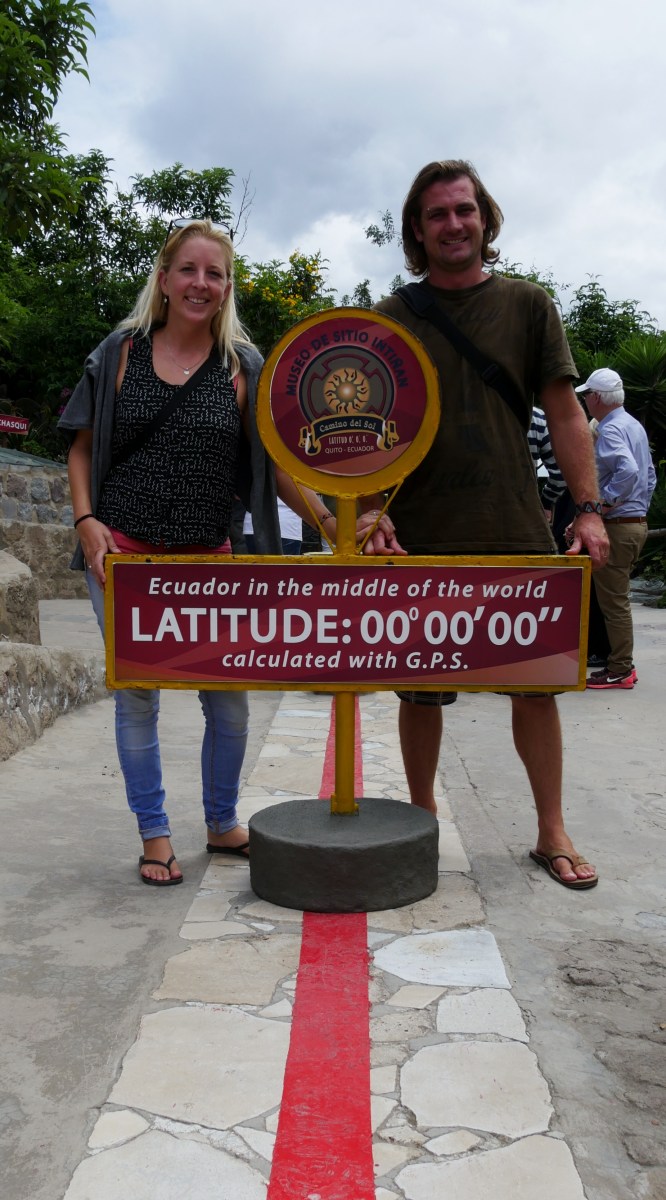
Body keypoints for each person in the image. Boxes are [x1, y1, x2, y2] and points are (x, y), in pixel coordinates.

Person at [58, 219, 382, 886]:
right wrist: (86, 520)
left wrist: (329, 520)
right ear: (164, 279)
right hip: (122, 556)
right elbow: (82, 446)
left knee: (229, 702)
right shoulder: (119, 353)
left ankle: (221, 821)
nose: (200, 283)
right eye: (188, 269)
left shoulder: (243, 368)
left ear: (227, 287)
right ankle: (154, 835)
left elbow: (276, 466)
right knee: (138, 697)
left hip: (210, 559)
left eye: (215, 273)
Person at [361, 159, 609, 890]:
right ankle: (421, 822)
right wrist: (372, 509)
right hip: (421, 529)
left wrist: (588, 508)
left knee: (536, 687)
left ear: (485, 217)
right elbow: (368, 427)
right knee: (419, 690)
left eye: (464, 209)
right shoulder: (392, 316)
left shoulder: (528, 305)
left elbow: (565, 412)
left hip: (513, 524)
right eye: (437, 214)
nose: (453, 224)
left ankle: (551, 829)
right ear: (417, 229)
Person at [575, 368, 656, 690]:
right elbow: (648, 476)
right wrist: (635, 508)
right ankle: (620, 666)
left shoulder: (609, 429)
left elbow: (629, 471)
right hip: (634, 524)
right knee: (616, 599)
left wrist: (602, 505)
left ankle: (620, 668)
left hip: (618, 527)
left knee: (614, 604)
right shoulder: (633, 425)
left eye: (586, 395)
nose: (584, 401)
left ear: (596, 397)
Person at [528, 406, 566, 525]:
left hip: (479, 509)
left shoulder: (475, 410)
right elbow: (561, 473)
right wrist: (546, 502)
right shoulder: (536, 417)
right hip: (524, 507)